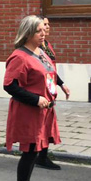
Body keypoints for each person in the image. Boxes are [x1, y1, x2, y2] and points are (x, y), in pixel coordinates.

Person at [3, 15, 60, 181]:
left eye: (43, 30)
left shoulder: (40, 52)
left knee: (35, 152)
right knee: (29, 152)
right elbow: (10, 85)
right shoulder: (19, 56)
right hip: (29, 111)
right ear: (27, 33)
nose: (43, 33)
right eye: (38, 31)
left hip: (42, 111)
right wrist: (36, 99)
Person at [34, 16, 71, 170]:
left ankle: (42, 155)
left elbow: (51, 69)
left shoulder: (47, 44)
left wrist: (61, 84)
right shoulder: (36, 47)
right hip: (41, 89)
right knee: (42, 123)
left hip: (50, 88)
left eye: (48, 25)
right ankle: (37, 155)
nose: (47, 27)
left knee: (48, 124)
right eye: (44, 25)